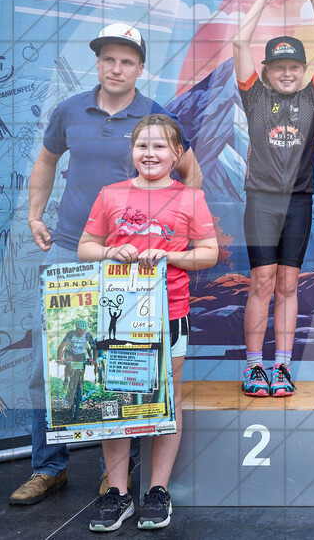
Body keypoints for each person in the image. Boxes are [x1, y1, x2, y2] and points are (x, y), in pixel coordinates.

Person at [11, 23, 200, 505]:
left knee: (122, 366)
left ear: (141, 67)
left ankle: (112, 474)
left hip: (133, 266)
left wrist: (173, 239)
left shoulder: (157, 115)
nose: (116, 69)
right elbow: (46, 161)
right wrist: (36, 214)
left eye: (127, 61)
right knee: (50, 369)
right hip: (72, 249)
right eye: (108, 60)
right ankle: (48, 468)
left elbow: (189, 178)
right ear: (98, 63)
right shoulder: (69, 109)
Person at [78, 113, 218, 531]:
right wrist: (108, 253)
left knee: (165, 400)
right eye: (143, 146)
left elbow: (208, 252)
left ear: (177, 154)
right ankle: (117, 493)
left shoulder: (190, 198)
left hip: (170, 315)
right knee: (116, 401)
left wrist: (172, 256)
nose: (150, 153)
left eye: (160, 146)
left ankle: (157, 489)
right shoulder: (110, 194)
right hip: (116, 320)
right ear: (132, 152)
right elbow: (86, 246)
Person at [232, 0, 314, 397]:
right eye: (280, 67)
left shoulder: (313, 100)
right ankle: (254, 367)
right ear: (268, 71)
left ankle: (282, 367)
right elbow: (240, 43)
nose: (289, 73)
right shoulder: (255, 98)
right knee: (261, 282)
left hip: (299, 200)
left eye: (295, 66)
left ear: (303, 69)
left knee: (288, 284)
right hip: (261, 200)